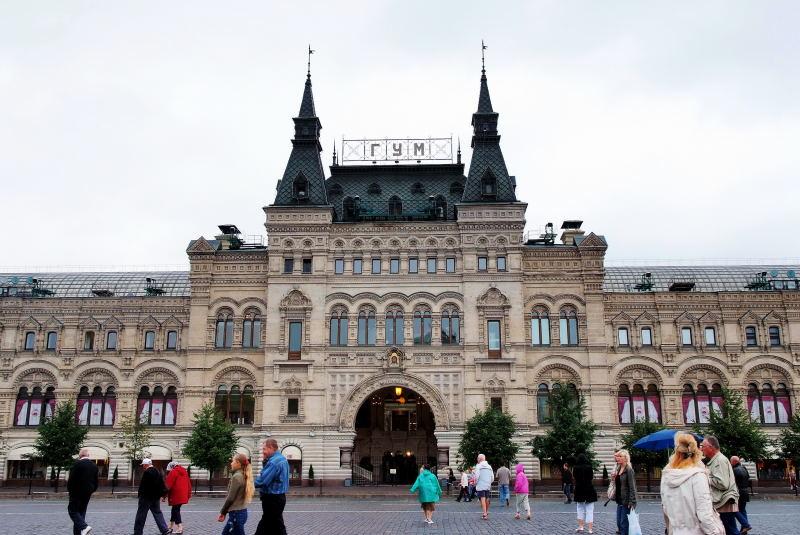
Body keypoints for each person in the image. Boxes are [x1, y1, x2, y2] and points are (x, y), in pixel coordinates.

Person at [661, 432, 724, 535]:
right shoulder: (698, 475)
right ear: (698, 450)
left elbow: (665, 509)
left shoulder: (667, 475)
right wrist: (714, 532)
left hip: (677, 531)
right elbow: (704, 514)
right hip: (696, 531)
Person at [701, 436, 740, 535]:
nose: (701, 449)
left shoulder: (719, 460)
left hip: (724, 502)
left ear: (711, 447)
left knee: (730, 531)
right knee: (729, 530)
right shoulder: (717, 459)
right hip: (722, 501)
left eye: (703, 446)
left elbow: (723, 483)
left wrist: (705, 477)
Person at [254, 438, 290, 535]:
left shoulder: (273, 462)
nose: (263, 452)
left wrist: (246, 484)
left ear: (270, 447)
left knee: (267, 523)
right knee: (276, 524)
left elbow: (263, 481)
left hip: (272, 498)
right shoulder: (282, 459)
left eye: (264, 449)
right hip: (279, 497)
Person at [218, 453, 255, 535]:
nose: (231, 463)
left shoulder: (237, 476)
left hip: (236, 514)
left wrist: (223, 512)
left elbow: (230, 498)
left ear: (238, 463)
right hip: (241, 512)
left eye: (233, 461)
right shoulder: (244, 475)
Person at [133, 458, 171, 535]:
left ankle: (138, 532)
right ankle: (164, 529)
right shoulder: (157, 471)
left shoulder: (147, 472)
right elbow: (161, 483)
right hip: (155, 497)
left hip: (146, 497)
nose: (142, 466)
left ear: (146, 465)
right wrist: (162, 494)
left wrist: (140, 495)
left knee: (141, 515)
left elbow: (143, 486)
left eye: (143, 465)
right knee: (158, 513)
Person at [67, 447, 99, 535]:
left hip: (76, 492)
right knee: (81, 514)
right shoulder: (94, 465)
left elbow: (71, 479)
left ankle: (84, 527)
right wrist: (92, 490)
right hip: (87, 493)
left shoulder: (77, 464)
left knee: (72, 511)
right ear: (88, 455)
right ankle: (80, 531)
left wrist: (70, 490)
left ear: (80, 456)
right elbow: (96, 481)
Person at [613, 449, 637, 535]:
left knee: (624, 523)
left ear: (626, 458)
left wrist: (632, 501)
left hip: (626, 501)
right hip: (619, 499)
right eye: (618, 456)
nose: (618, 458)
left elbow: (632, 487)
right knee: (619, 523)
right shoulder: (619, 468)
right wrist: (614, 478)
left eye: (620, 456)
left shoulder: (629, 470)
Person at [573, 453, 598, 534]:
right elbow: (591, 477)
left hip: (579, 489)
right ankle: (590, 529)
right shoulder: (589, 467)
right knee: (590, 509)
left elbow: (574, 477)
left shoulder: (575, 467)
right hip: (589, 489)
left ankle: (581, 527)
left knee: (579, 508)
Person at [165, 461, 191, 534]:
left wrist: (164, 495)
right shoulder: (184, 471)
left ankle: (180, 527)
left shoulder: (173, 472)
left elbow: (168, 485)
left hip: (175, 494)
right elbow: (189, 484)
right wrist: (188, 494)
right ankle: (170, 526)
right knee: (175, 509)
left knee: (176, 510)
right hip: (183, 494)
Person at [730, 456, 752, 535]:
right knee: (743, 510)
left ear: (734, 462)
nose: (730, 463)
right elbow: (748, 479)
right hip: (745, 491)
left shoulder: (734, 470)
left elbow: (732, 482)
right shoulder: (744, 468)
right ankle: (744, 529)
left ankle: (745, 525)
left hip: (738, 492)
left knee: (735, 510)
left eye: (731, 461)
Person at [475, 453, 494, 520]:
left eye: (478, 458)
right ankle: (486, 512)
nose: (477, 459)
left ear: (480, 459)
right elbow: (492, 477)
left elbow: (477, 476)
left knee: (482, 499)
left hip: (480, 485)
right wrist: (489, 482)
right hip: (487, 485)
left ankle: (485, 513)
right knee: (487, 498)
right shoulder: (489, 467)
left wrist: (475, 483)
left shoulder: (478, 466)